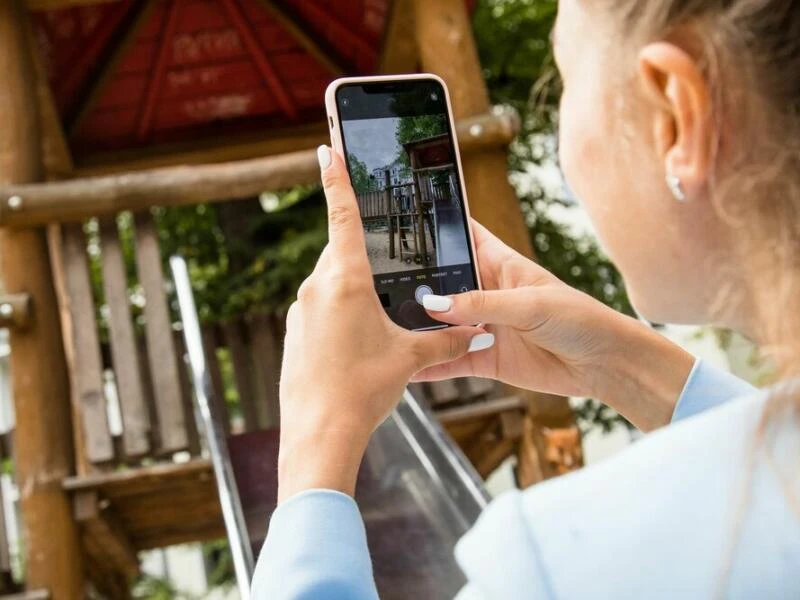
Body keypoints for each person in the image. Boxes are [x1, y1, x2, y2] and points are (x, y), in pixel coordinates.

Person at [252, 0, 800, 597]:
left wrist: (314, 443)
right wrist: (627, 366)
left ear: (673, 111)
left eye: (562, 81)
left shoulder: (557, 567)